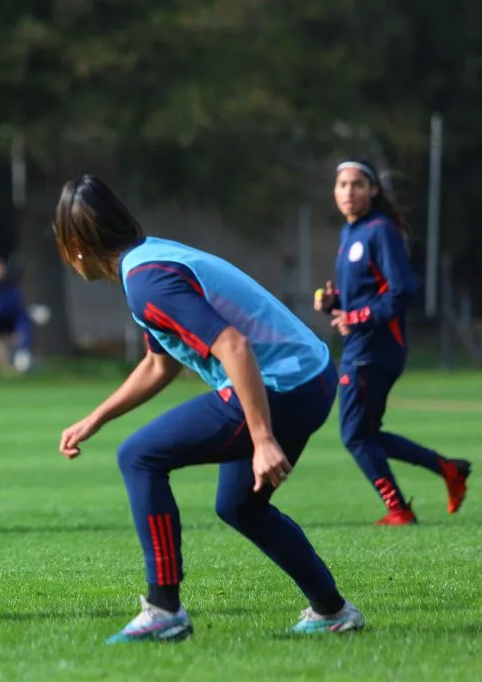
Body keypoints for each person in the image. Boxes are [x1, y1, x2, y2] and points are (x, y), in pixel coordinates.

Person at [54, 174, 363, 642]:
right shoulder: (152, 259)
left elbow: (234, 346)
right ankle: (332, 610)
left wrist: (262, 439)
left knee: (139, 456)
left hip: (283, 386)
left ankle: (164, 610)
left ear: (75, 246)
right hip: (309, 376)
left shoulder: (147, 281)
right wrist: (96, 418)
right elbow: (160, 365)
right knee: (240, 507)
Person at [315, 159, 471, 525]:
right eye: (342, 185)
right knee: (367, 434)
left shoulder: (380, 231)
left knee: (355, 436)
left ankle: (399, 509)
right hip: (361, 347)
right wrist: (335, 303)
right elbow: (369, 292)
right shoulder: (349, 233)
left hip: (377, 349)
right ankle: (447, 469)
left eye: (357, 184)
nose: (348, 192)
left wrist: (355, 317)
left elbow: (402, 291)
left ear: (372, 191)